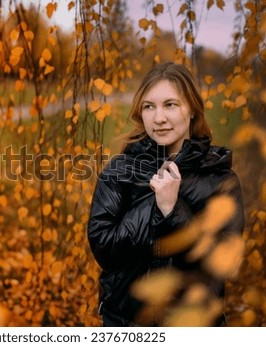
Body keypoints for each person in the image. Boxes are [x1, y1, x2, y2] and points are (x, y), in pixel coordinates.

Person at [87, 62, 244, 327]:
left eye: (170, 104)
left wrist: (174, 209)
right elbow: (105, 249)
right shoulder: (119, 171)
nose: (158, 118)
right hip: (125, 324)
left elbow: (223, 265)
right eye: (149, 106)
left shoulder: (221, 180)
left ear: (192, 109)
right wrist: (153, 206)